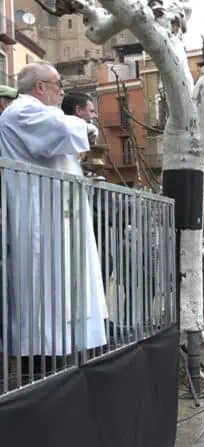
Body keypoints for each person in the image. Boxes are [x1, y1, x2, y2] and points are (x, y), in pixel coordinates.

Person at [0, 62, 108, 359]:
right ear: (40, 87)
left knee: (66, 277)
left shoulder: (34, 111)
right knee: (49, 279)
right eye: (57, 83)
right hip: (41, 210)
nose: (62, 90)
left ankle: (67, 347)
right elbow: (60, 129)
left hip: (55, 208)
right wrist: (88, 128)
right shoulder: (23, 111)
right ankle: (49, 353)